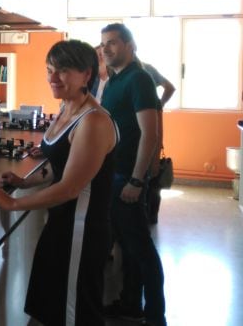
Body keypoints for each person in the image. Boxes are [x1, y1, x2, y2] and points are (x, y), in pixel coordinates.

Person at [0, 40, 117, 325]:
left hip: (82, 230)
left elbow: (70, 187)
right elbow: (59, 167)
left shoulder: (93, 121)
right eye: (49, 70)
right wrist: (25, 180)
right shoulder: (66, 109)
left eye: (63, 70)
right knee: (53, 308)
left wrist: (15, 202)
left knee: (75, 314)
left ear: (86, 74)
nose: (53, 78)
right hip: (61, 225)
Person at [99, 23, 166, 326]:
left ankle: (155, 315)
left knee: (141, 248)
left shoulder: (139, 79)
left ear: (129, 45)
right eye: (103, 44)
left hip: (127, 177)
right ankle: (130, 304)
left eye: (112, 42)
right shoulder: (114, 80)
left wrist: (137, 180)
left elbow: (148, 134)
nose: (106, 49)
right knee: (128, 246)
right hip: (114, 174)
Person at [141, 62, 175, 224]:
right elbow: (170, 87)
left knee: (148, 180)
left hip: (145, 138)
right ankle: (148, 216)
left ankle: (147, 217)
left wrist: (159, 105)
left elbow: (170, 87)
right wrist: (159, 105)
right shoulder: (147, 68)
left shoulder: (143, 70)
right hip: (147, 136)